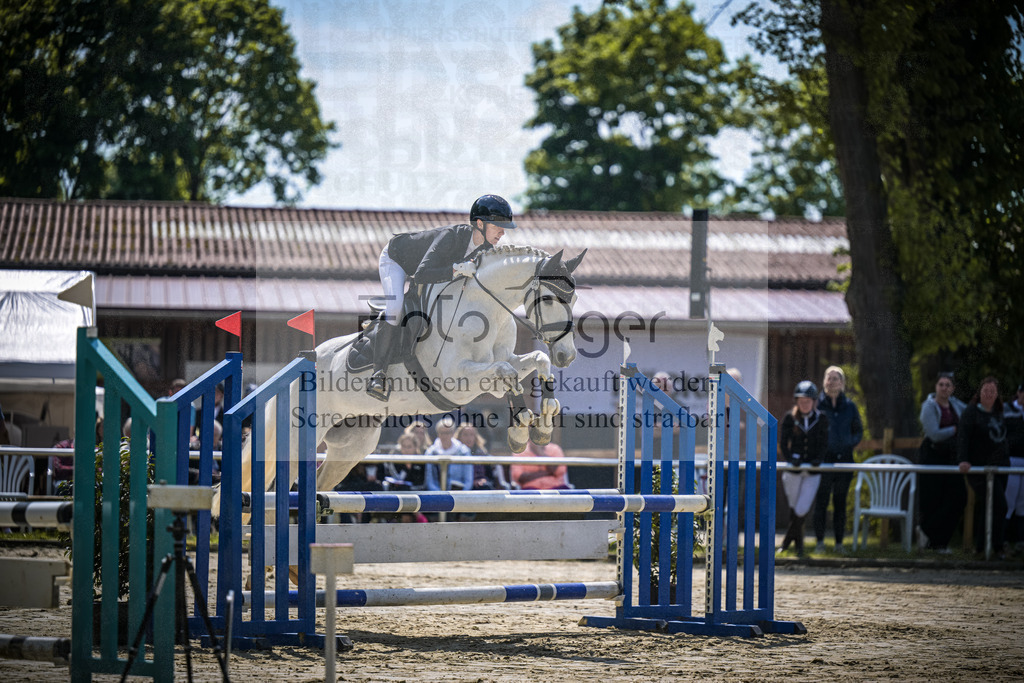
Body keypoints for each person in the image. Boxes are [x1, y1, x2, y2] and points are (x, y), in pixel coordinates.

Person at [366, 194, 518, 401]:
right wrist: (456, 269)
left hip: (429, 273)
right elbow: (421, 275)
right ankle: (378, 374)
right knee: (395, 307)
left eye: (504, 228)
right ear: (480, 223)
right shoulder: (451, 237)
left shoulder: (487, 250)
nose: (502, 232)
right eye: (497, 226)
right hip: (397, 260)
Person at [958, 376, 1010, 556]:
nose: (988, 394)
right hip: (979, 468)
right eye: (985, 391)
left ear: (997, 395)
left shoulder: (999, 412)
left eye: (992, 391)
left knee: (992, 506)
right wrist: (963, 459)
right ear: (979, 393)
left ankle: (982, 548)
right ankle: (997, 545)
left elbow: (1003, 438)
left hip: (1000, 467)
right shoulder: (971, 412)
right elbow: (963, 437)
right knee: (1000, 505)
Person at [814, 365, 863, 554]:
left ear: (842, 383)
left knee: (840, 503)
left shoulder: (850, 406)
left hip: (845, 461)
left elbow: (858, 430)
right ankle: (819, 542)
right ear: (824, 382)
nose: (832, 381)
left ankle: (839, 544)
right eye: (829, 378)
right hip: (824, 462)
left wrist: (848, 443)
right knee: (822, 502)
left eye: (836, 378)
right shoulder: (817, 404)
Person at [917, 372, 968, 553]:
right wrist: (955, 428)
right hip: (932, 455)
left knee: (959, 497)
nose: (944, 388)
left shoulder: (957, 406)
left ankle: (932, 535)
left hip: (952, 457)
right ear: (936, 387)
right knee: (933, 500)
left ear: (952, 389)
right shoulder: (928, 406)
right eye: (941, 384)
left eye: (948, 385)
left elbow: (970, 416)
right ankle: (935, 543)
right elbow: (934, 434)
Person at [777, 380, 829, 556]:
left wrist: (818, 459)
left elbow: (824, 443)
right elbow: (783, 443)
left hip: (812, 471)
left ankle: (785, 542)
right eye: (801, 400)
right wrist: (791, 459)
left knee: (802, 508)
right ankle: (799, 547)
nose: (804, 404)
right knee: (794, 506)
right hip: (794, 470)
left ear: (814, 401)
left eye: (808, 401)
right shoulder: (790, 418)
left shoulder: (821, 418)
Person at [424, 417, 474, 491]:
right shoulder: (430, 452)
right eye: (441, 433)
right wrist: (440, 496)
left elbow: (468, 480)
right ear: (438, 434)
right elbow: (430, 480)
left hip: (459, 494)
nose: (444, 436)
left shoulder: (464, 451)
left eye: (447, 433)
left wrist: (462, 494)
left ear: (453, 433)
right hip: (437, 497)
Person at [455, 423, 509, 490]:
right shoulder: (455, 453)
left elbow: (490, 474)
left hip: (480, 485)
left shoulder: (482, 454)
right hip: (461, 484)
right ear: (459, 437)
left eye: (471, 435)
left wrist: (483, 479)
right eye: (465, 435)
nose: (469, 438)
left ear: (475, 437)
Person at [1004, 383, 1024, 549]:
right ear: (1018, 393)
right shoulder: (1007, 410)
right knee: (1009, 501)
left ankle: (1019, 540)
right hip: (1011, 460)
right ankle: (1003, 539)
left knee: (1021, 503)